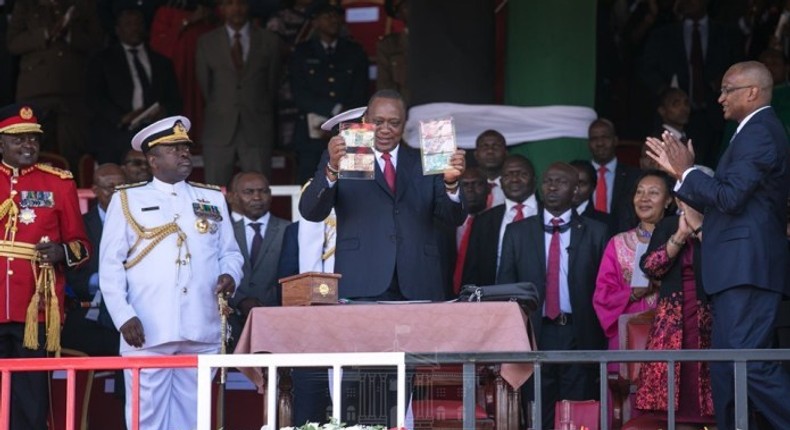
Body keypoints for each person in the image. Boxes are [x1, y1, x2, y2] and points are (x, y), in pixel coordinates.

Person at [645, 60, 790, 429]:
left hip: (748, 268)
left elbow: (730, 197)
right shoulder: (747, 132)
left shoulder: (760, 132)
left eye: (728, 89)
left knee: (748, 363)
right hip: (733, 269)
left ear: (752, 92)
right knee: (726, 367)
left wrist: (685, 172)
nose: (720, 97)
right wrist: (687, 174)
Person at [99, 115, 243, 430]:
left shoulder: (211, 197)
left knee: (193, 418)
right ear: (152, 160)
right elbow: (110, 264)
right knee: (145, 417)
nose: (183, 154)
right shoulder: (128, 199)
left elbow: (230, 253)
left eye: (185, 148)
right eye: (173, 149)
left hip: (200, 323)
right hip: (148, 326)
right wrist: (124, 316)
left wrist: (230, 274)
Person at [299, 89, 466, 301]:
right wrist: (332, 168)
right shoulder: (342, 158)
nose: (385, 129)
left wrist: (451, 183)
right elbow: (311, 212)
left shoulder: (426, 161)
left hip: (419, 280)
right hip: (361, 279)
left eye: (394, 123)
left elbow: (453, 218)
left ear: (404, 124)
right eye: (378, 122)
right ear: (365, 120)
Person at [497, 162, 608, 429]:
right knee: (538, 414)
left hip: (578, 333)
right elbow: (506, 287)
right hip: (535, 333)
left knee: (577, 413)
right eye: (548, 181)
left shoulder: (596, 231)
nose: (553, 187)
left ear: (576, 189)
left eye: (561, 182)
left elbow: (604, 288)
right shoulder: (517, 232)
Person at [0, 103, 90, 430]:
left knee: (30, 397)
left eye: (33, 139)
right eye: (18, 139)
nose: (28, 146)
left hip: (34, 308)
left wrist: (61, 252)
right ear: (1, 144)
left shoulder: (59, 182)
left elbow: (82, 246)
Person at [636, 198, 715, 428]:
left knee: (715, 405)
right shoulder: (668, 225)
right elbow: (651, 268)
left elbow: (726, 262)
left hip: (710, 320)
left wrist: (699, 229)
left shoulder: (718, 224)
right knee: (677, 412)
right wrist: (680, 236)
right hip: (672, 323)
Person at [7, 0, 103, 175]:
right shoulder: (26, 4)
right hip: (36, 89)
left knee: (73, 148)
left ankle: (73, 192)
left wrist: (68, 35)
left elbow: (97, 40)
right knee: (32, 145)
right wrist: (44, 33)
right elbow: (13, 43)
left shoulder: (83, 4)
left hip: (72, 88)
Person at [196, 0, 281, 187]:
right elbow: (205, 86)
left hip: (257, 126)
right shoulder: (207, 42)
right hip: (219, 127)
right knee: (215, 192)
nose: (236, 8)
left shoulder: (270, 41)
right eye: (230, 3)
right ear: (222, 8)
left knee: (258, 188)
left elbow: (272, 85)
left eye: (241, 3)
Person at [87, 5, 183, 164]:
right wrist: (121, 117)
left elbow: (175, 99)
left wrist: (162, 111)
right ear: (118, 30)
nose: (134, 29)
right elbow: (94, 97)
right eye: (128, 24)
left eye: (138, 24)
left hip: (154, 133)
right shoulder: (102, 61)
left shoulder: (162, 62)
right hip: (115, 134)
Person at [593, 170, 672, 361]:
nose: (644, 198)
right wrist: (633, 293)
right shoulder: (618, 243)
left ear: (669, 200)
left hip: (671, 336)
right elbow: (602, 297)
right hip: (627, 340)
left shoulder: (680, 241)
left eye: (653, 193)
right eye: (639, 192)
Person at [290, 3, 369, 184]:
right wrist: (333, 109)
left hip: (352, 126)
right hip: (312, 132)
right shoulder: (302, 52)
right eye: (327, 16)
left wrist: (343, 113)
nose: (333, 20)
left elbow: (361, 93)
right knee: (310, 184)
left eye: (336, 15)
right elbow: (299, 94)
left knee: (357, 184)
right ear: (315, 21)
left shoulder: (354, 52)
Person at [63, 163, 127, 356]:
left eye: (121, 187)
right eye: (110, 187)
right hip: (88, 309)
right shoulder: (79, 225)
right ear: (95, 190)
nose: (117, 193)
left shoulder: (141, 223)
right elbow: (69, 272)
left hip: (128, 313)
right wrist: (105, 281)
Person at [228, 172, 290, 340]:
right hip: (232, 319)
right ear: (232, 197)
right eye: (248, 192)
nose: (257, 197)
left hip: (278, 319)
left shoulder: (289, 230)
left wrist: (265, 303)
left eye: (263, 191)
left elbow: (294, 275)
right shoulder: (224, 231)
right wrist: (241, 301)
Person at [462, 154, 538, 288]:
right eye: (508, 175)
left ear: (534, 180)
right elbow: (472, 272)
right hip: (495, 301)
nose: (514, 179)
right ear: (501, 183)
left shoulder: (549, 215)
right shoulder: (483, 221)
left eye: (522, 174)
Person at [587, 118, 641, 232]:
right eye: (594, 138)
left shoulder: (635, 176)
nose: (600, 143)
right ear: (588, 143)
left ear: (615, 140)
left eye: (605, 137)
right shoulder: (579, 176)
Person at [452, 166, 489, 292]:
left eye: (476, 184)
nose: (470, 189)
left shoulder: (497, 223)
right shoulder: (446, 223)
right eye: (464, 185)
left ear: (488, 188)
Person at [376, 0, 410, 105]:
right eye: (406, 5)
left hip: (436, 112)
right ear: (398, 13)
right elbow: (385, 88)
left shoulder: (438, 42)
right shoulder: (388, 45)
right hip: (403, 111)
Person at [569, 159, 613, 233]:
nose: (575, 188)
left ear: (593, 187)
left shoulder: (605, 222)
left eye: (581, 184)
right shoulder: (552, 217)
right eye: (570, 181)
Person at [473, 129, 508, 208]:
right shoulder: (465, 187)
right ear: (476, 155)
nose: (490, 151)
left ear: (506, 153)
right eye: (485, 146)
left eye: (496, 146)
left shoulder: (515, 185)